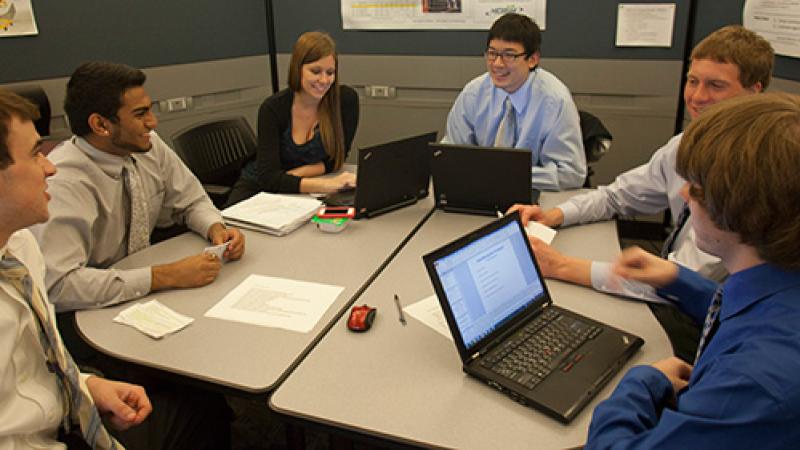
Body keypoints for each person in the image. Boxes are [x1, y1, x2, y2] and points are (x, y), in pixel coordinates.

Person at [586, 92, 800, 449]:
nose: (684, 194)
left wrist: (643, 383)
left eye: (698, 188)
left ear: (748, 207)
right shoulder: (780, 282)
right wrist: (678, 280)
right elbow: (749, 310)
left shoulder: (754, 383)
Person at [510, 26, 773, 302]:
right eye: (693, 81)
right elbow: (617, 196)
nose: (697, 97)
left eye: (716, 86)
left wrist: (561, 265)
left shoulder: (754, 170)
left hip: (712, 311)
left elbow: (683, 281)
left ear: (753, 91)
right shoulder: (685, 144)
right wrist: (554, 215)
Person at [30, 61, 245, 315]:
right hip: (92, 311)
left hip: (146, 289)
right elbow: (59, 285)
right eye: (141, 114)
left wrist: (215, 228)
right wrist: (165, 276)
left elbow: (191, 200)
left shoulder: (147, 146)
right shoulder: (64, 182)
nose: (153, 122)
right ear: (100, 125)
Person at [0, 88, 151, 449]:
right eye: (35, 154)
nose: (50, 167)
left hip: (67, 414)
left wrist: (87, 385)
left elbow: (36, 365)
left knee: (198, 415)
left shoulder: (20, 247)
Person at [443, 13, 586, 191]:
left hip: (534, 194)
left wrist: (506, 175)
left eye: (509, 55)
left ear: (532, 59)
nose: (497, 64)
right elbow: (451, 154)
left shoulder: (555, 101)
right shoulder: (473, 94)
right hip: (479, 190)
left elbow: (570, 173)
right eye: (492, 53)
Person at [226, 31, 359, 205]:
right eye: (315, 71)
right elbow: (269, 179)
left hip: (298, 190)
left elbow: (336, 159)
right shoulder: (273, 109)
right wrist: (325, 185)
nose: (324, 80)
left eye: (330, 72)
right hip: (258, 191)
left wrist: (292, 176)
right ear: (298, 69)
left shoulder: (344, 101)